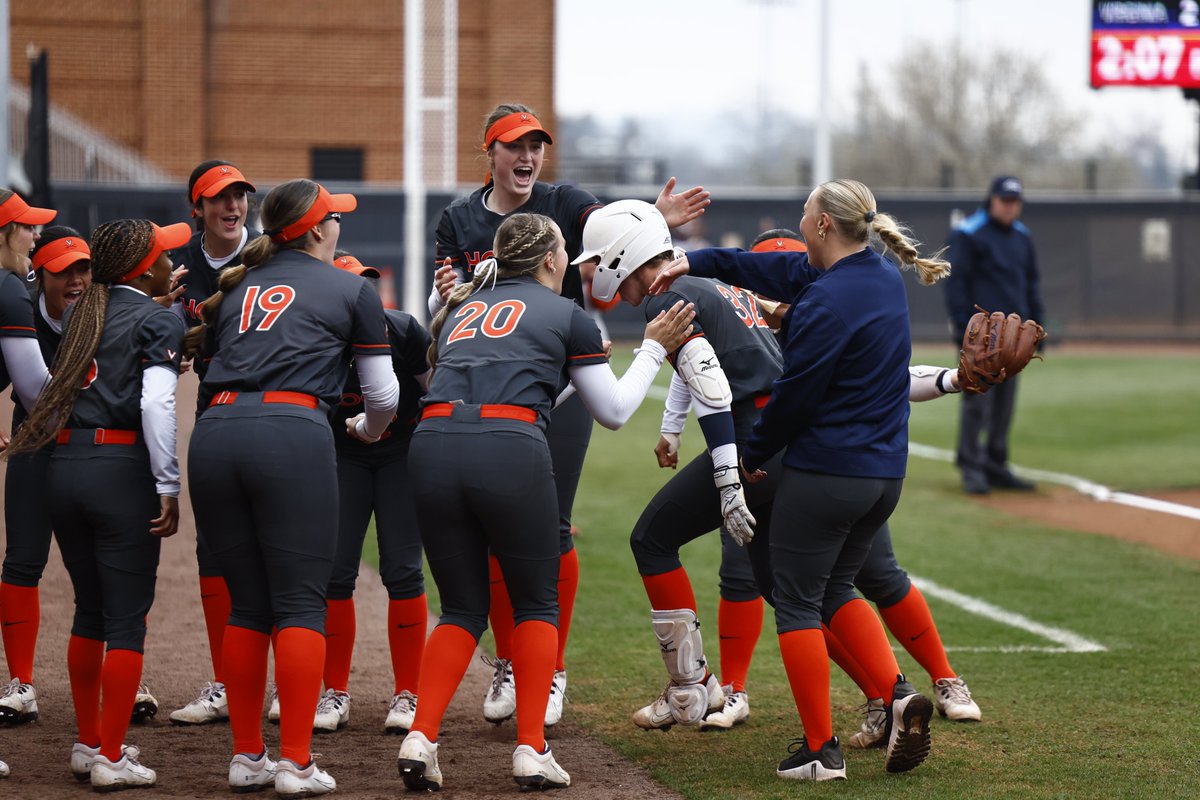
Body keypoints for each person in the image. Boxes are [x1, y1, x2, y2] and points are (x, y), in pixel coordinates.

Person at [649, 178, 950, 782]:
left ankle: (820, 752)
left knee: (796, 602)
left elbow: (793, 401)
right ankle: (896, 696)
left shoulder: (825, 302)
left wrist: (746, 456)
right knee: (839, 589)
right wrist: (692, 258)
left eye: (804, 213)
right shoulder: (879, 278)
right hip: (884, 475)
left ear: (821, 227)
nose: (800, 221)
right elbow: (766, 270)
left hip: (828, 473)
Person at [429, 102, 709, 728]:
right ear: (489, 152)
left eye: (536, 145)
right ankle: (511, 662)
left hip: (559, 387)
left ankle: (548, 668)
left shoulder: (566, 202)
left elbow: (613, 232)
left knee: (551, 528)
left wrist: (652, 221)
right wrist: (444, 297)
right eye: (513, 145)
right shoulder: (457, 219)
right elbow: (441, 306)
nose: (527, 157)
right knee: (491, 536)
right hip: (492, 392)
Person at [396, 212, 695, 792]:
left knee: (460, 608)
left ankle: (422, 735)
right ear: (550, 259)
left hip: (431, 444)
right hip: (508, 449)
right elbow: (612, 411)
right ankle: (531, 748)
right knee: (537, 607)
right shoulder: (567, 315)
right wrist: (653, 349)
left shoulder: (461, 309)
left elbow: (452, 380)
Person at [184, 179, 399, 796]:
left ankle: (248, 757)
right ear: (312, 230)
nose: (339, 227)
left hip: (217, 432)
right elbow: (383, 395)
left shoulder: (234, 290)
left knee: (248, 606)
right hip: (290, 431)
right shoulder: (352, 287)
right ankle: (297, 762)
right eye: (333, 218)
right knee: (302, 604)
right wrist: (365, 426)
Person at [571, 201, 781, 732]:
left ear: (623, 253)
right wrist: (672, 425)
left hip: (753, 440)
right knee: (793, 586)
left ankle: (692, 688)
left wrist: (728, 477)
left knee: (653, 539)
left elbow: (710, 381)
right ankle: (890, 693)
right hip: (785, 434)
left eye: (600, 259)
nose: (598, 273)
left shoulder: (668, 295)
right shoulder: (703, 280)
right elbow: (704, 362)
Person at [6, 218, 190, 791]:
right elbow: (158, 406)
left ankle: (90, 744)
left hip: (64, 466)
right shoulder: (156, 316)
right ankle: (110, 755)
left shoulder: (83, 311)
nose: (167, 262)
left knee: (89, 612)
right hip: (119, 471)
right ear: (143, 267)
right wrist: (168, 483)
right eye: (161, 254)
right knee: (126, 619)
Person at [314, 253, 431, 736]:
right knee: (335, 571)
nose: (363, 296)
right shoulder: (315, 338)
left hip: (400, 454)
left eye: (367, 285)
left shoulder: (402, 331)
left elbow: (434, 391)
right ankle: (334, 689)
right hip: (343, 457)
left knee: (403, 569)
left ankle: (409, 693)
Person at [168, 160, 259, 726]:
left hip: (282, 407)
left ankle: (320, 685)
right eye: (219, 198)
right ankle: (227, 681)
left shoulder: (270, 256)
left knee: (289, 546)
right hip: (216, 406)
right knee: (216, 549)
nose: (233, 207)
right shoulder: (178, 267)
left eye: (240, 196)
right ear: (196, 209)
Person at [1, 226, 91, 724]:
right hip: (34, 439)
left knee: (101, 564)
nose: (76, 280)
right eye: (64, 271)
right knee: (23, 559)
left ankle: (127, 672)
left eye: (84, 268)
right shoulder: (21, 309)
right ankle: (21, 684)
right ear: (42, 275)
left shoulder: (106, 312)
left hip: (92, 447)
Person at [943, 175, 1045, 495]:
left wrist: (1038, 325)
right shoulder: (969, 233)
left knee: (1005, 404)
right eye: (1005, 200)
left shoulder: (1021, 236)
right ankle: (971, 466)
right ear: (992, 199)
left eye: (1015, 202)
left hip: (1015, 336)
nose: (1010, 207)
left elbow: (1030, 283)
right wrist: (963, 327)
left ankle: (996, 464)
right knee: (978, 400)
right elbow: (955, 283)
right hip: (982, 337)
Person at [0, 190, 56, 726]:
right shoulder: (10, 288)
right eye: (25, 228)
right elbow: (38, 392)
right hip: (48, 439)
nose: (34, 238)